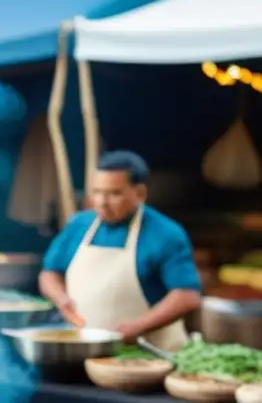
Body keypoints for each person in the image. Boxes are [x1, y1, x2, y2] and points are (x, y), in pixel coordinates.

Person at [39, 150, 201, 351]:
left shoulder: (166, 234)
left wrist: (137, 328)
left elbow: (187, 296)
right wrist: (61, 298)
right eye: (97, 192)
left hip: (150, 354)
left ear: (140, 193)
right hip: (87, 351)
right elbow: (49, 273)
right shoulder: (78, 225)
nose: (102, 203)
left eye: (114, 193)